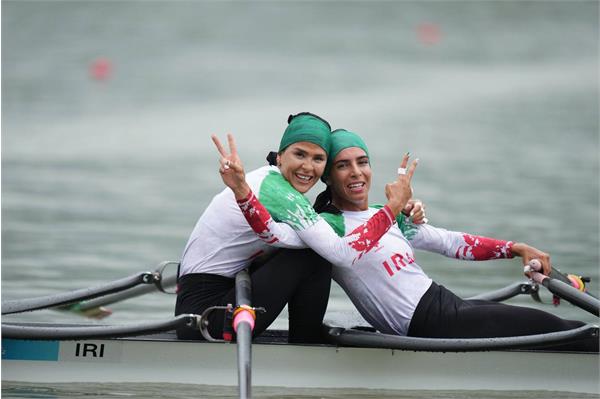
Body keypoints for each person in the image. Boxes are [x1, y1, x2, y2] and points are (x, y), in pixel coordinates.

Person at [222, 128, 597, 351]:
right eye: (342, 165)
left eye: (362, 161)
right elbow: (276, 238)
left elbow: (450, 242)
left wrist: (514, 248)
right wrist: (243, 194)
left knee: (560, 330)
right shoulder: (327, 227)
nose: (357, 172)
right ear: (328, 178)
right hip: (427, 325)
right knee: (568, 331)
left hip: (448, 309)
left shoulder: (386, 219)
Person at [175, 113, 419, 343]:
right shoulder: (275, 189)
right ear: (280, 156)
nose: (307, 167)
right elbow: (342, 254)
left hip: (214, 305)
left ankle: (305, 339)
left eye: (318, 159)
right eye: (299, 154)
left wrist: (402, 219)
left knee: (311, 246)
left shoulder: (270, 183)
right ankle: (307, 345)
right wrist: (394, 206)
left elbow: (290, 238)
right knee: (315, 255)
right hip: (207, 317)